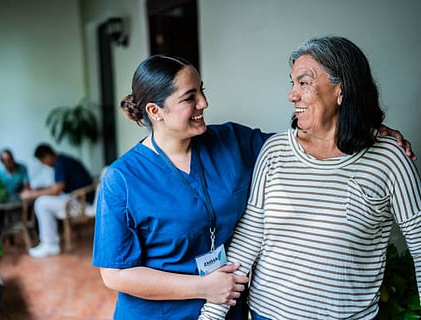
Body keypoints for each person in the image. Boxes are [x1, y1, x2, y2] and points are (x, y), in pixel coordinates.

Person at [92, 54, 415, 320]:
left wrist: (367, 128)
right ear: (155, 111)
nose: (204, 102)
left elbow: (310, 141)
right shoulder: (122, 178)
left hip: (228, 307)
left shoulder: (233, 141)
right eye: (190, 98)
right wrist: (204, 288)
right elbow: (116, 275)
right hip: (163, 312)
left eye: (201, 90)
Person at [198, 36, 421, 320]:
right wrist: (211, 316)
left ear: (342, 89)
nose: (292, 95)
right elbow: (249, 239)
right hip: (268, 314)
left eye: (304, 83)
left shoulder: (389, 159)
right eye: (292, 83)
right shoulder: (275, 151)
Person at [21, 143, 94, 258]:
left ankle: (50, 244)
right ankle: (49, 243)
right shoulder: (63, 161)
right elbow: (57, 187)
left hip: (81, 202)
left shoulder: (61, 163)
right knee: (43, 201)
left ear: (47, 156)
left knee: (42, 203)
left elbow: (56, 190)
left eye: (43, 161)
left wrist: (32, 194)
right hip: (75, 198)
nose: (44, 164)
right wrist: (39, 190)